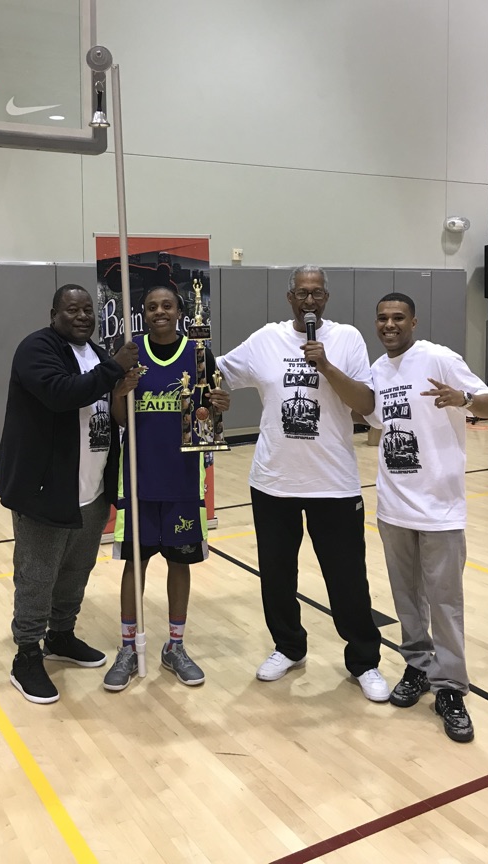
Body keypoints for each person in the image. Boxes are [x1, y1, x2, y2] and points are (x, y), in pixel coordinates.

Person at [216, 266, 389, 701]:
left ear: (326, 298)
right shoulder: (265, 339)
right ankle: (288, 647)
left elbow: (367, 405)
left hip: (333, 483)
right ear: (289, 298)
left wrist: (325, 365)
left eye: (316, 293)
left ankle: (364, 660)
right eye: (301, 293)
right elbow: (217, 373)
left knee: (347, 579)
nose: (309, 300)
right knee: (276, 575)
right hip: (274, 481)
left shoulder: (346, 338)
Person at [0, 284, 139, 704]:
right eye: (72, 309)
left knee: (76, 570)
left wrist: (119, 387)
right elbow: (60, 394)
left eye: (87, 310)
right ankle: (26, 654)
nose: (82, 316)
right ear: (53, 313)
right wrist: (114, 370)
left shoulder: (96, 354)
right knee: (37, 574)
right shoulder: (36, 349)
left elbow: (107, 405)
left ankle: (60, 634)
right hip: (46, 489)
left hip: (91, 489)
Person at [367, 293, 488, 742]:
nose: (389, 325)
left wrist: (464, 399)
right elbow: (378, 427)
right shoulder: (377, 370)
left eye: (398, 317)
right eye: (382, 318)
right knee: (407, 600)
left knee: (445, 603)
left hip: (440, 508)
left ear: (414, 321)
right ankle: (418, 667)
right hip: (393, 506)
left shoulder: (438, 358)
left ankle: (451, 688)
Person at [103, 285, 230, 692]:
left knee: (180, 562)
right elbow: (120, 419)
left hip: (182, 478)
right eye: (152, 306)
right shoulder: (130, 353)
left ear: (179, 312)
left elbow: (209, 413)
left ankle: (175, 646)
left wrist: (220, 405)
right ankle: (128, 647)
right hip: (139, 477)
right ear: (144, 313)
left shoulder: (198, 353)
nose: (160, 311)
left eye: (167, 306)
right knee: (134, 564)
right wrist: (120, 393)